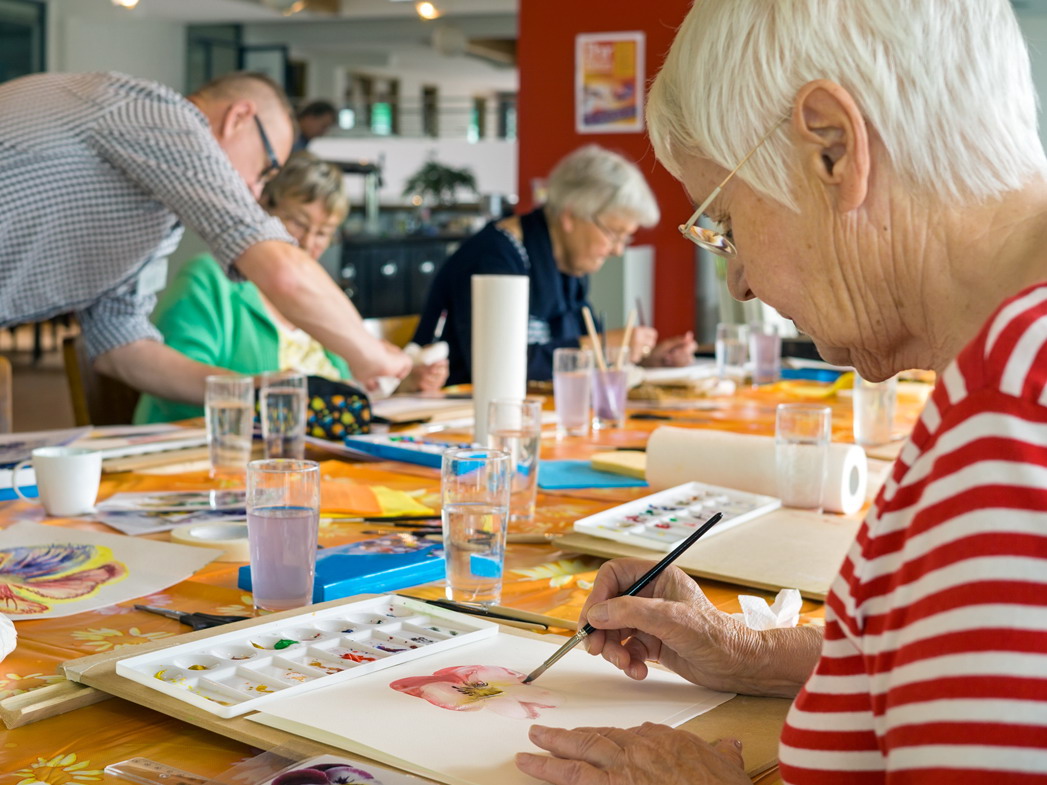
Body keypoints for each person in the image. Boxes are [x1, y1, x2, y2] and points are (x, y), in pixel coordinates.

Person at [514, 1, 1047, 783]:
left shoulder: (1007, 431)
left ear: (831, 148)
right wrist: (753, 652)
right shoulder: (1007, 368)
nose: (738, 278)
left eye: (725, 222)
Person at [0, 71, 409, 406]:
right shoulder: (164, 115)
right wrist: (370, 355)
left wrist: (256, 391)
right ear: (238, 118)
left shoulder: (155, 216)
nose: (254, 191)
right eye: (266, 170)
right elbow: (282, 271)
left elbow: (122, 347)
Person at [134, 152, 448, 424]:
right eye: (296, 222)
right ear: (262, 207)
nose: (308, 243)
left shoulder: (317, 297)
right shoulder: (210, 279)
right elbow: (170, 391)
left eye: (324, 233)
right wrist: (263, 388)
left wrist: (402, 387)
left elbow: (344, 387)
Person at [412, 145, 699, 384]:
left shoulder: (567, 263)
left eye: (627, 238)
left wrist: (641, 356)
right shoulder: (494, 258)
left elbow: (570, 345)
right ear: (570, 216)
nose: (618, 250)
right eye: (614, 234)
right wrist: (600, 347)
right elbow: (498, 367)